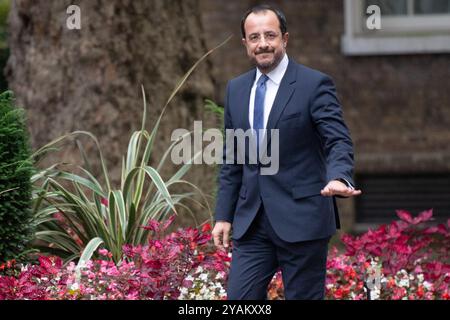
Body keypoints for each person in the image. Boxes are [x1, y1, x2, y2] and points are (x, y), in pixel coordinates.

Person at [212, 4, 362, 300]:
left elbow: (338, 140)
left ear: (285, 39)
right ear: (245, 44)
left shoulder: (313, 84)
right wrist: (224, 216)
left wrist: (340, 176)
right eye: (254, 37)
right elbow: (234, 158)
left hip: (303, 219)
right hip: (252, 223)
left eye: (270, 35)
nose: (263, 43)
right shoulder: (237, 90)